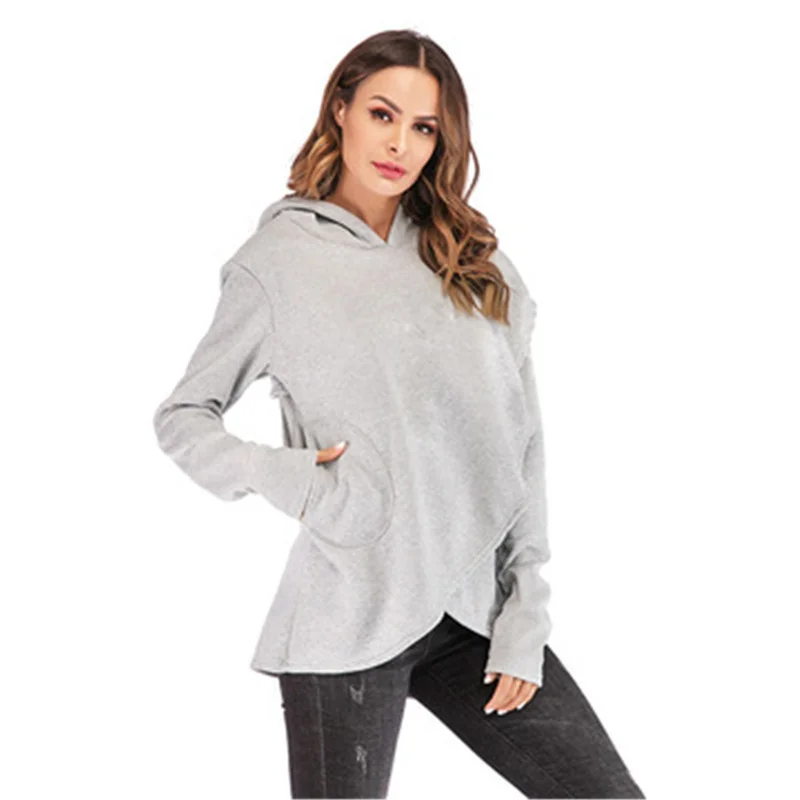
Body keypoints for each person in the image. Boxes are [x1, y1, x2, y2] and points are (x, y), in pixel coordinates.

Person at [152, 27, 645, 800]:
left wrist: (526, 616)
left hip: (473, 616)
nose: (399, 144)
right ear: (341, 110)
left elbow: (524, 447)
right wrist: (294, 480)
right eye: (383, 114)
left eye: (424, 128)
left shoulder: (474, 262)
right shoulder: (276, 264)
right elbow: (185, 416)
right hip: (345, 617)